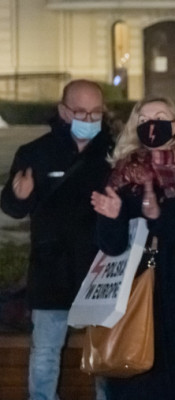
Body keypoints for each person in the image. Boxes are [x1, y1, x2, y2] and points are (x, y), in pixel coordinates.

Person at [90, 97, 175, 399]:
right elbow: (112, 246)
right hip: (132, 298)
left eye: (160, 117)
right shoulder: (122, 174)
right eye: (144, 120)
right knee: (135, 385)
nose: (152, 125)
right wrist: (111, 217)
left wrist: (158, 216)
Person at [1, 79, 113, 400]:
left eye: (96, 113)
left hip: (100, 269)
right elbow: (12, 207)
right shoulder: (35, 152)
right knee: (46, 351)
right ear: (64, 111)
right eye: (81, 112)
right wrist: (18, 195)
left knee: (106, 354)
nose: (89, 120)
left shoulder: (114, 154)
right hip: (51, 268)